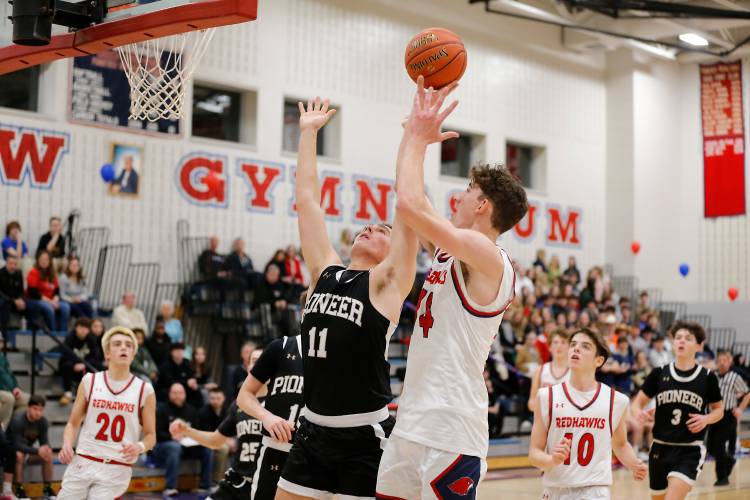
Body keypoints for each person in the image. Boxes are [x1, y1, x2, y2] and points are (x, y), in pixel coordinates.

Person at [377, 78, 527, 499]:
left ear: (483, 206)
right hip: (412, 422)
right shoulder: (449, 252)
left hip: (451, 429)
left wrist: (419, 141)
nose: (457, 198)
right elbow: (410, 200)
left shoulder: (486, 254)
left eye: (467, 191)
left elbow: (409, 203)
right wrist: (412, 137)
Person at [275, 96, 418, 500]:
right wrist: (307, 135)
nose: (370, 227)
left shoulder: (386, 282)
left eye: (381, 229)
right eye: (367, 225)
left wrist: (413, 141)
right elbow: (308, 203)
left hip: (363, 438)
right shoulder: (326, 270)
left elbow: (407, 207)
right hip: (312, 431)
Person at [528, 328, 647, 499]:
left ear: (598, 360)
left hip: (594, 490)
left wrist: (633, 464)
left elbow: (620, 445)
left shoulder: (616, 400)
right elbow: (534, 454)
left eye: (585, 346)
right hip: (555, 490)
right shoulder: (546, 396)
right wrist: (552, 460)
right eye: (573, 344)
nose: (576, 349)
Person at [56, 326, 156, 499]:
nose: (124, 347)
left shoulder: (144, 390)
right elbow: (73, 423)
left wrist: (139, 447)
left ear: (133, 354)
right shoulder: (90, 381)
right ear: (107, 353)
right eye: (117, 344)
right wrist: (66, 444)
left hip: (116, 467)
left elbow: (150, 436)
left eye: (128, 345)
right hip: (83, 461)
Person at [631, 321, 724, 500]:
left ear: (699, 346)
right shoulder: (659, 373)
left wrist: (706, 419)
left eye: (688, 339)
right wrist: (638, 413)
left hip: (689, 450)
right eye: (678, 338)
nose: (681, 341)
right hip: (659, 448)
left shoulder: (707, 378)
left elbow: (718, 410)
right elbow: (637, 404)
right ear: (673, 343)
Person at [171, 348, 265, 500]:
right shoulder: (239, 404)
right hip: (237, 481)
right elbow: (215, 441)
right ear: (248, 368)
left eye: (263, 360)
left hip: (266, 484)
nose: (258, 364)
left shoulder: (281, 402)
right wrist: (186, 430)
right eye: (254, 361)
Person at [237, 335, 304, 500]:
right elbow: (243, 395)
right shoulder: (282, 346)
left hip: (313, 451)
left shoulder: (338, 354)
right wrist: (266, 416)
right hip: (275, 448)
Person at [152, 383, 212, 496]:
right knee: (174, 446)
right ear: (169, 394)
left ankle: (205, 485)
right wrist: (172, 437)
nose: (177, 395)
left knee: (207, 448)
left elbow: (197, 430)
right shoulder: (162, 409)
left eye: (180, 393)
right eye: (174, 393)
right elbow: (156, 433)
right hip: (163, 446)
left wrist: (191, 437)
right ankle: (170, 487)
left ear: (184, 394)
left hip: (187, 445)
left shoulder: (191, 410)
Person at [707, 349, 750, 486]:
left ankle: (722, 478)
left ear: (730, 361)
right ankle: (730, 460)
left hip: (727, 415)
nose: (722, 363)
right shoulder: (712, 376)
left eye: (725, 360)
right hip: (713, 415)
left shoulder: (734, 377)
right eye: (719, 360)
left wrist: (740, 409)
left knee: (719, 446)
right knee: (711, 448)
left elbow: (747, 393)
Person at [6, 395, 55, 499]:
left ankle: (47, 489)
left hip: (27, 451)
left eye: (41, 410)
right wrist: (38, 450)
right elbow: (17, 445)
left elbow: (44, 442)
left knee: (48, 454)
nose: (38, 413)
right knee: (19, 455)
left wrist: (46, 448)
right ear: (28, 408)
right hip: (10, 452)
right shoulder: (18, 420)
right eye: (35, 409)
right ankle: (19, 489)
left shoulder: (43, 422)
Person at [58, 318, 104, 406]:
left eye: (86, 328)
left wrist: (84, 364)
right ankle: (67, 393)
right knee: (66, 365)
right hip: (71, 363)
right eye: (81, 327)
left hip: (85, 364)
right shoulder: (70, 337)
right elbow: (66, 354)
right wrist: (76, 363)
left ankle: (97, 393)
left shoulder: (91, 338)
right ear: (76, 328)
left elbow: (95, 356)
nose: (83, 330)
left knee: (100, 367)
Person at [26, 250, 70, 331]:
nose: (44, 261)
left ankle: (62, 334)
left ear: (50, 261)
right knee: (49, 308)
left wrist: (55, 299)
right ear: (38, 260)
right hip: (34, 300)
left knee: (65, 307)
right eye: (42, 259)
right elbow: (33, 293)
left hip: (50, 300)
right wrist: (50, 302)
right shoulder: (33, 272)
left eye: (46, 259)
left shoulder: (52, 273)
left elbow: (57, 290)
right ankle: (53, 334)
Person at [528, 330, 570, 413]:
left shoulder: (575, 371)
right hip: (544, 421)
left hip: (565, 421)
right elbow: (531, 403)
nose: (559, 346)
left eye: (563, 342)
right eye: (555, 342)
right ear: (550, 347)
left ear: (569, 347)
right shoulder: (540, 370)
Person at [196, 388, 229, 483]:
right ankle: (216, 481)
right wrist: (225, 440)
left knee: (239, 444)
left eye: (218, 398)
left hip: (219, 439)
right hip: (205, 440)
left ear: (224, 398)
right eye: (212, 398)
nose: (215, 401)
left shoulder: (227, 411)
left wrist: (231, 439)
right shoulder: (203, 412)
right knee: (223, 449)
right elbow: (207, 434)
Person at [158, 343, 203, 408]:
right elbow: (169, 382)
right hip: (167, 391)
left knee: (197, 392)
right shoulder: (166, 365)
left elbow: (192, 376)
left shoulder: (186, 363)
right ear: (171, 352)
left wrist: (192, 382)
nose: (179, 352)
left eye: (181, 350)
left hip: (185, 391)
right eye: (177, 350)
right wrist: (186, 382)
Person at [0, 338, 29, 427]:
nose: (0, 343)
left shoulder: (2, 357)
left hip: (8, 390)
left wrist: (15, 387)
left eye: (1, 341)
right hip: (2, 391)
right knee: (9, 398)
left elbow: (10, 375)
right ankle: (2, 429)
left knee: (28, 399)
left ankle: (13, 428)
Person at [0, 255, 26, 338]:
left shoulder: (19, 274)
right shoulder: (1, 273)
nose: (13, 266)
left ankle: (29, 335)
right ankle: (4, 337)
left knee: (30, 306)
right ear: (6, 263)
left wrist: (21, 300)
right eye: (11, 264)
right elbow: (0, 293)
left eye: (15, 264)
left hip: (16, 300)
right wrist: (13, 301)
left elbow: (21, 291)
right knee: (5, 305)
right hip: (4, 300)